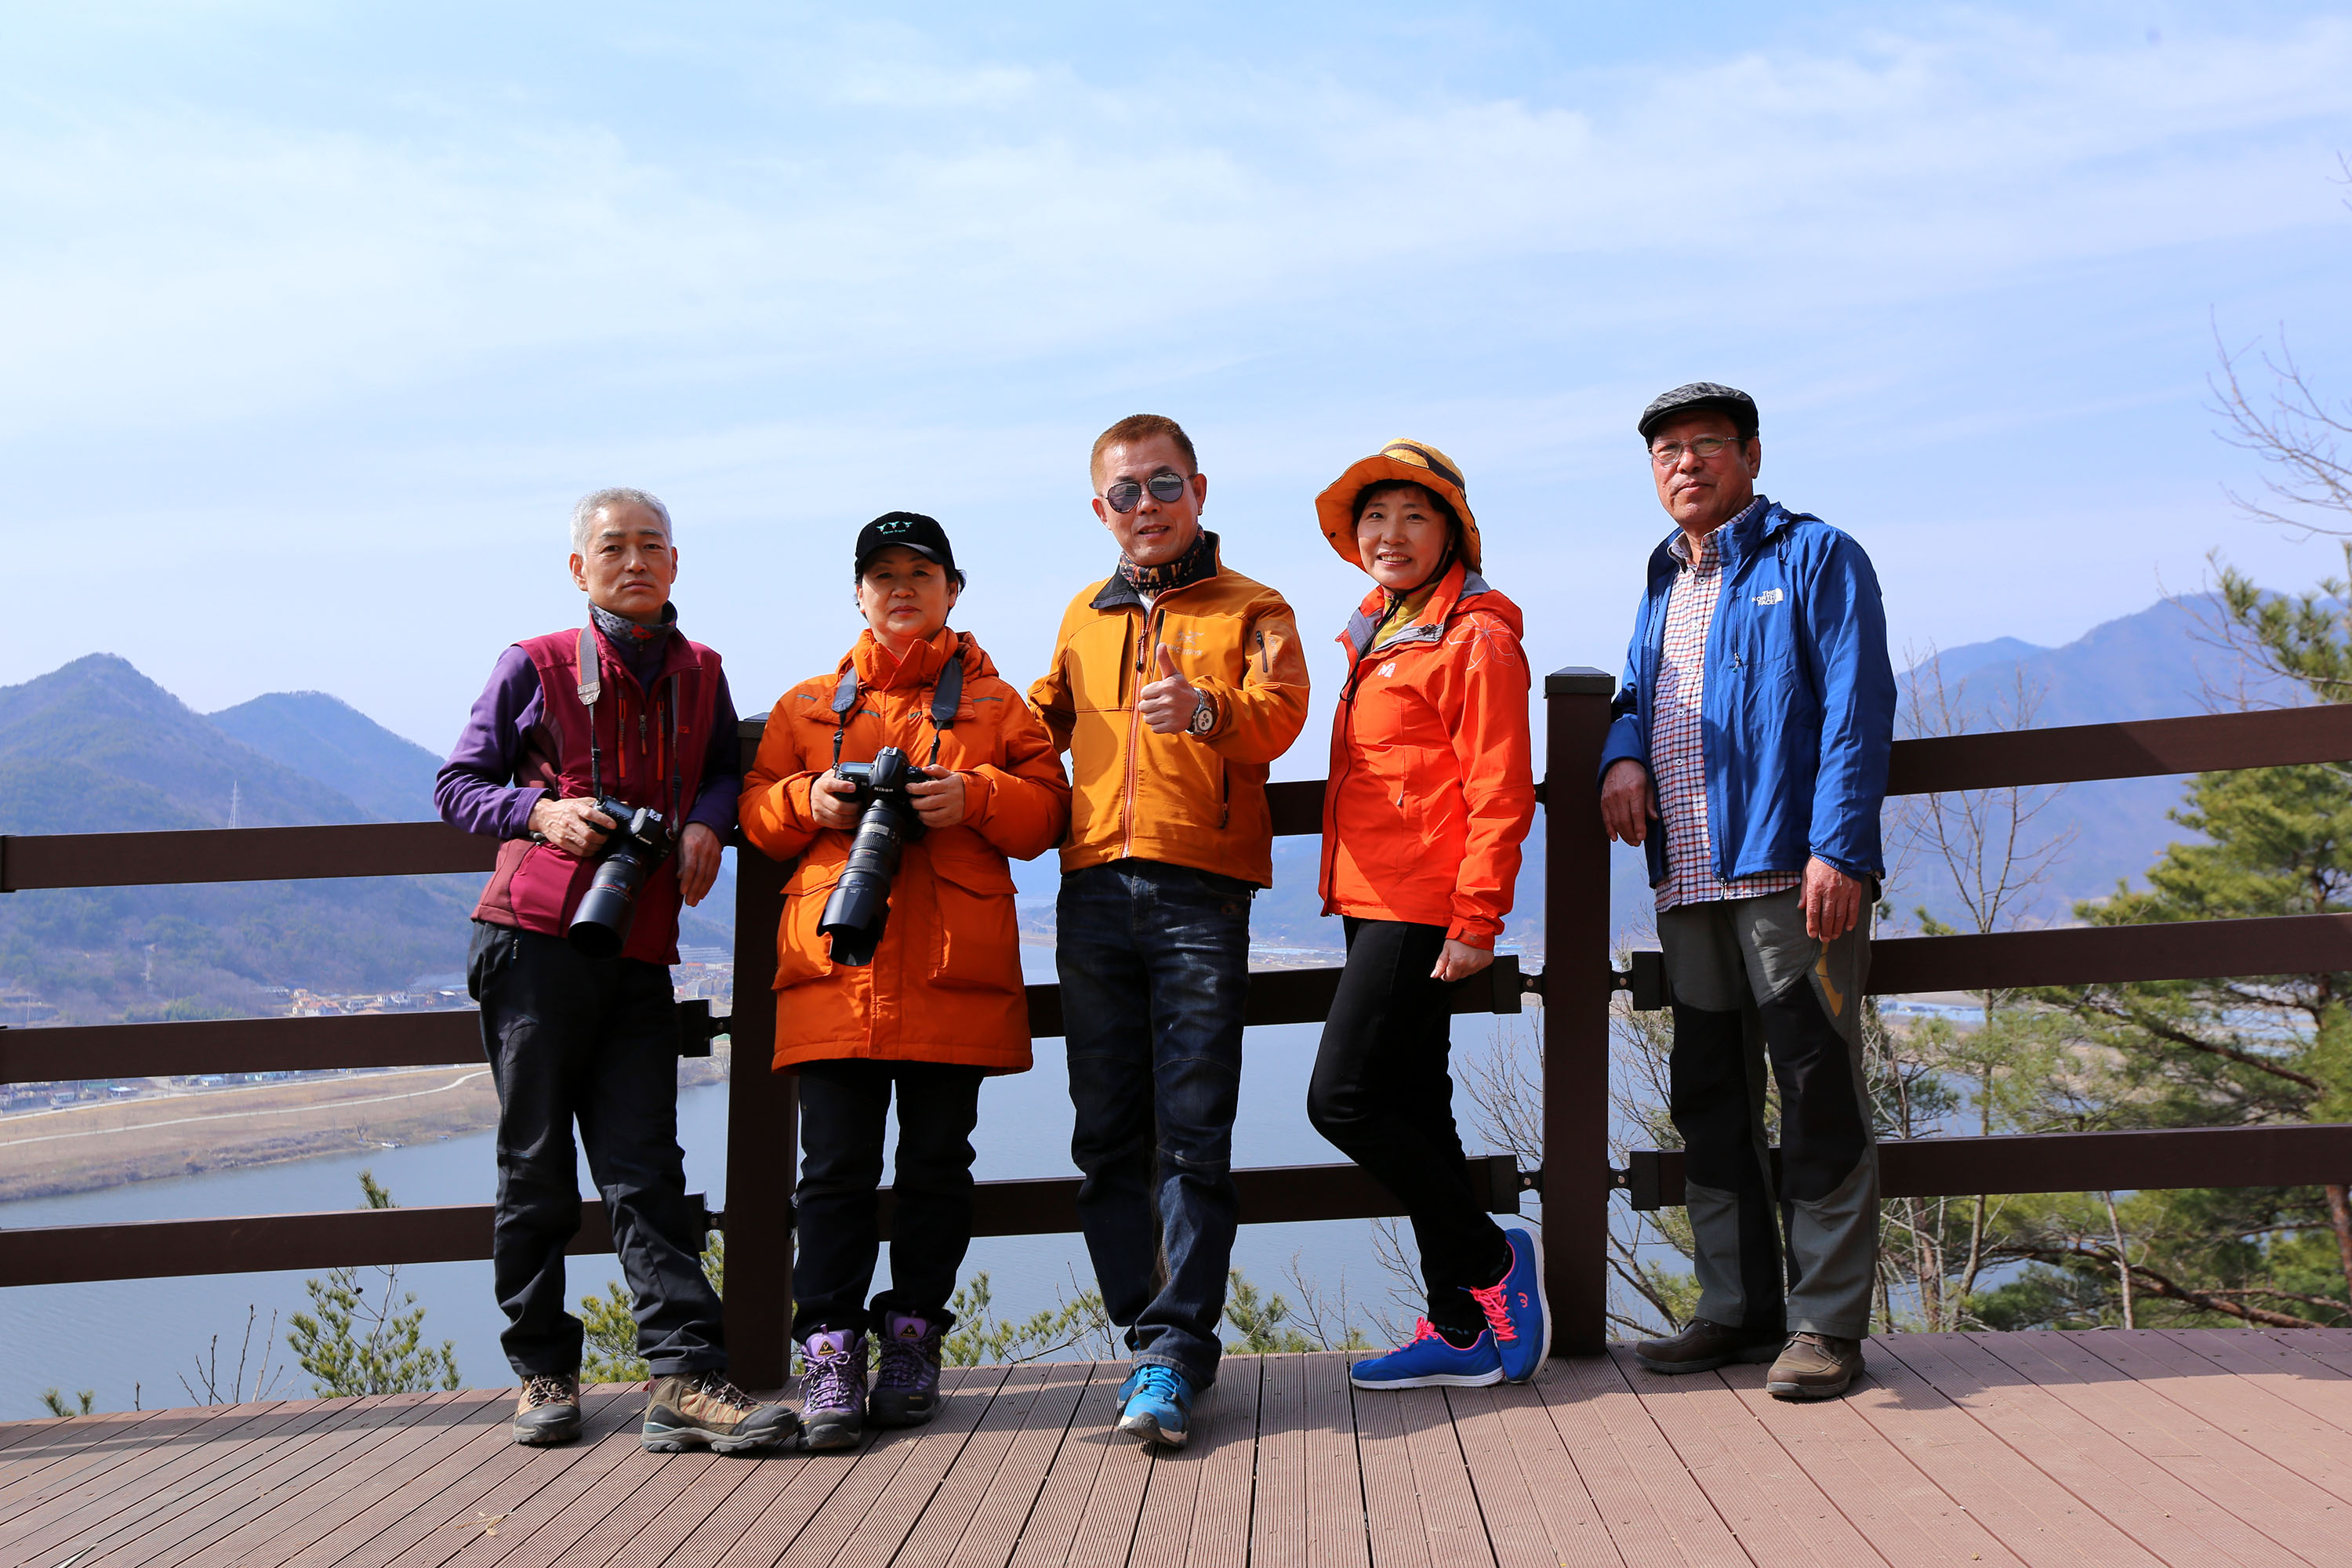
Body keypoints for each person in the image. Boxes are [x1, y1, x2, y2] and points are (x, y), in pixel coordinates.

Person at [437, 487, 797, 1454]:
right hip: (533, 937)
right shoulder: (534, 662)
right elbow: (457, 785)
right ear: (579, 567)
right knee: (536, 1165)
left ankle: (684, 1378)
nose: (634, 561)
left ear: (674, 562)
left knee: (648, 1171)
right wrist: (540, 812)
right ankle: (543, 1368)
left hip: (637, 946)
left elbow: (720, 769)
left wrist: (709, 821)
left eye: (651, 546)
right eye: (613, 547)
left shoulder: (702, 670)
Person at [739, 513, 1069, 1451]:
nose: (899, 588)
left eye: (919, 573)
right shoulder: (807, 706)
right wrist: (811, 796)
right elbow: (757, 816)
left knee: (936, 1167)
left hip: (949, 967)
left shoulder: (999, 707)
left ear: (952, 590)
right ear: (858, 593)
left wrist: (976, 794)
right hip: (837, 966)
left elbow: (1050, 813)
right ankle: (830, 1350)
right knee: (832, 1171)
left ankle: (914, 1339)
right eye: (882, 574)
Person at [1599, 384, 1895, 1400]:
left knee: (1817, 1088)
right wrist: (1620, 753)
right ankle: (1735, 1307)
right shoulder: (1661, 581)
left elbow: (1858, 704)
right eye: (1668, 452)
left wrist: (1840, 848)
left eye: (1708, 444)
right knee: (1709, 1093)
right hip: (1687, 880)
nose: (1686, 463)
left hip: (1790, 873)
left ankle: (1826, 1322)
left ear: (1752, 455)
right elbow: (1635, 694)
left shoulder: (1816, 556)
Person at [1028, 414, 1311, 1446]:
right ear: (1098, 507)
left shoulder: (1253, 606)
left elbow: (1282, 715)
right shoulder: (1082, 613)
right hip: (1093, 885)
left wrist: (1202, 710)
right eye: (1124, 492)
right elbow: (1039, 725)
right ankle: (1146, 1331)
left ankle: (1174, 1351)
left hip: (1202, 887)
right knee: (1105, 1133)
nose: (1143, 506)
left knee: (1193, 1132)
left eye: (1161, 485)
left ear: (1198, 489)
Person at [1301, 440, 1549, 1390]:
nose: (1390, 533)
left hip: (1422, 902)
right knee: (1413, 1103)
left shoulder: (1475, 636)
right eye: (1375, 517)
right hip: (1371, 894)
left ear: (1453, 531)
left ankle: (1493, 1259)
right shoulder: (1383, 625)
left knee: (1341, 1100)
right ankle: (1459, 1328)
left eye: (1414, 515)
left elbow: (1500, 786)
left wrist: (1478, 914)